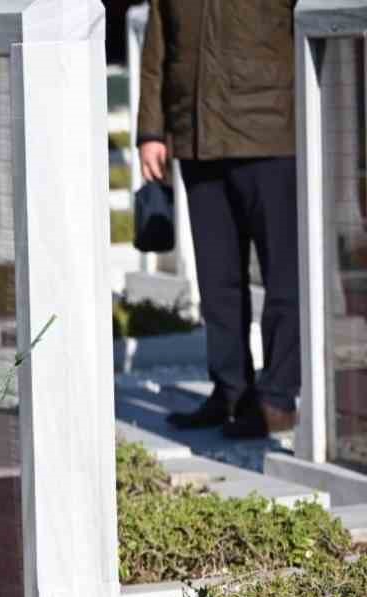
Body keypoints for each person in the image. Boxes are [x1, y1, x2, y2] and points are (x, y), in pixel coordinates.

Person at [138, 0, 300, 439]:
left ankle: (277, 398)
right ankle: (231, 391)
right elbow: (157, 47)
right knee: (217, 283)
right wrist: (151, 132)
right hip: (197, 140)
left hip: (272, 135)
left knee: (284, 278)